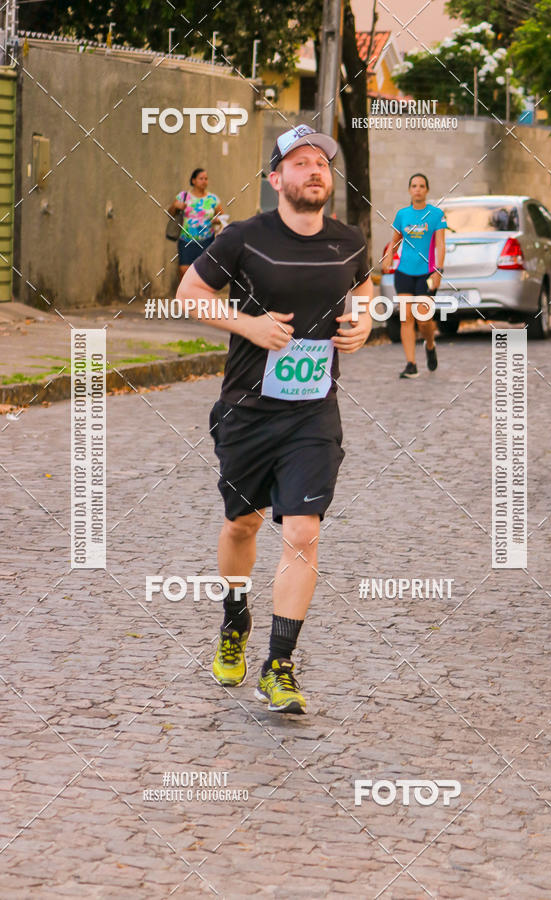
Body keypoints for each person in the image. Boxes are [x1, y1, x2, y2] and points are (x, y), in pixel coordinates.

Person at [177, 124, 373, 714]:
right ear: (275, 179)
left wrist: (363, 322)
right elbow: (189, 292)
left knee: (303, 532)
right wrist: (250, 326)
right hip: (248, 412)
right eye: (301, 162)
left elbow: (362, 289)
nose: (315, 171)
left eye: (322, 164)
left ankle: (279, 665)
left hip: (314, 412)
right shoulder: (243, 238)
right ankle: (234, 620)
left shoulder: (349, 241)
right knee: (244, 525)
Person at [383, 173, 447, 378]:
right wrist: (388, 256)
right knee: (406, 319)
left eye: (421, 186)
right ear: (409, 190)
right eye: (414, 185)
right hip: (404, 273)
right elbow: (396, 240)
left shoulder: (436, 215)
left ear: (427, 190)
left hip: (426, 273)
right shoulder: (402, 215)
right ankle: (411, 364)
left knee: (423, 318)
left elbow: (440, 244)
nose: (417, 189)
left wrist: (439, 270)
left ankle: (429, 344)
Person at [168, 168, 224, 278]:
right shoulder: (183, 196)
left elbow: (221, 216)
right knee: (184, 270)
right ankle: (184, 294)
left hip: (206, 240)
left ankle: (200, 294)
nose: (204, 181)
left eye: (206, 179)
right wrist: (175, 206)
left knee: (203, 273)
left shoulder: (212, 199)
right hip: (186, 239)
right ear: (193, 180)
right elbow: (170, 214)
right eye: (201, 178)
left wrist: (217, 220)